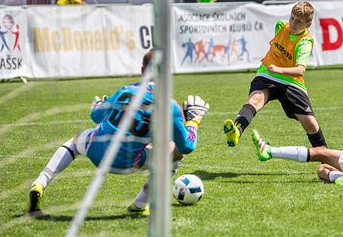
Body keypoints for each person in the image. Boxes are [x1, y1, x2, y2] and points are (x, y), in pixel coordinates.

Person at [27, 50, 210, 217]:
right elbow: (187, 146)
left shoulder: (124, 90)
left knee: (74, 142)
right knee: (175, 154)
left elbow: (96, 116)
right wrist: (193, 121)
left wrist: (98, 105)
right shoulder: (171, 106)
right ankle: (139, 205)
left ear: (142, 70)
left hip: (95, 148)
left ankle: (40, 183)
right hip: (126, 162)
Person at [223, 1, 327, 149]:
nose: (293, 23)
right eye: (292, 18)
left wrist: (279, 69)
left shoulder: (305, 42)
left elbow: (300, 70)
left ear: (308, 24)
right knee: (255, 100)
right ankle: (237, 131)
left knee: (310, 124)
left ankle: (328, 159)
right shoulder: (280, 26)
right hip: (267, 74)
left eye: (299, 21)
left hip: (291, 81)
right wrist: (274, 69)